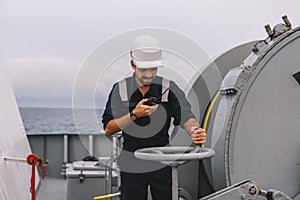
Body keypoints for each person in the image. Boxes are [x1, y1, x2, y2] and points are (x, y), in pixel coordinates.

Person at [102, 34, 207, 200]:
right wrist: (134, 115)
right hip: (131, 160)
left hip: (161, 159)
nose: (149, 74)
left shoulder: (168, 88)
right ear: (132, 64)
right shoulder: (120, 89)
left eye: (153, 69)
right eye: (144, 69)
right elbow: (109, 128)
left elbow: (186, 115)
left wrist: (195, 130)